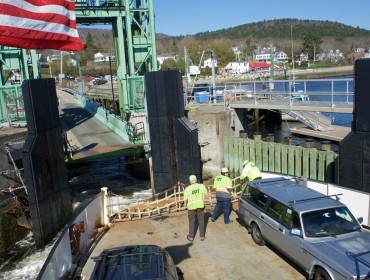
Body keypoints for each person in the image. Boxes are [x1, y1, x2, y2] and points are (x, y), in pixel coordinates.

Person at [183, 175, 208, 241]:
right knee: (201, 221)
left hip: (191, 207)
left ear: (190, 181)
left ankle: (191, 237)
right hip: (200, 206)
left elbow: (185, 199)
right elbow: (206, 194)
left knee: (191, 222)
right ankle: (202, 236)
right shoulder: (202, 186)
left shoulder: (187, 189)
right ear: (196, 180)